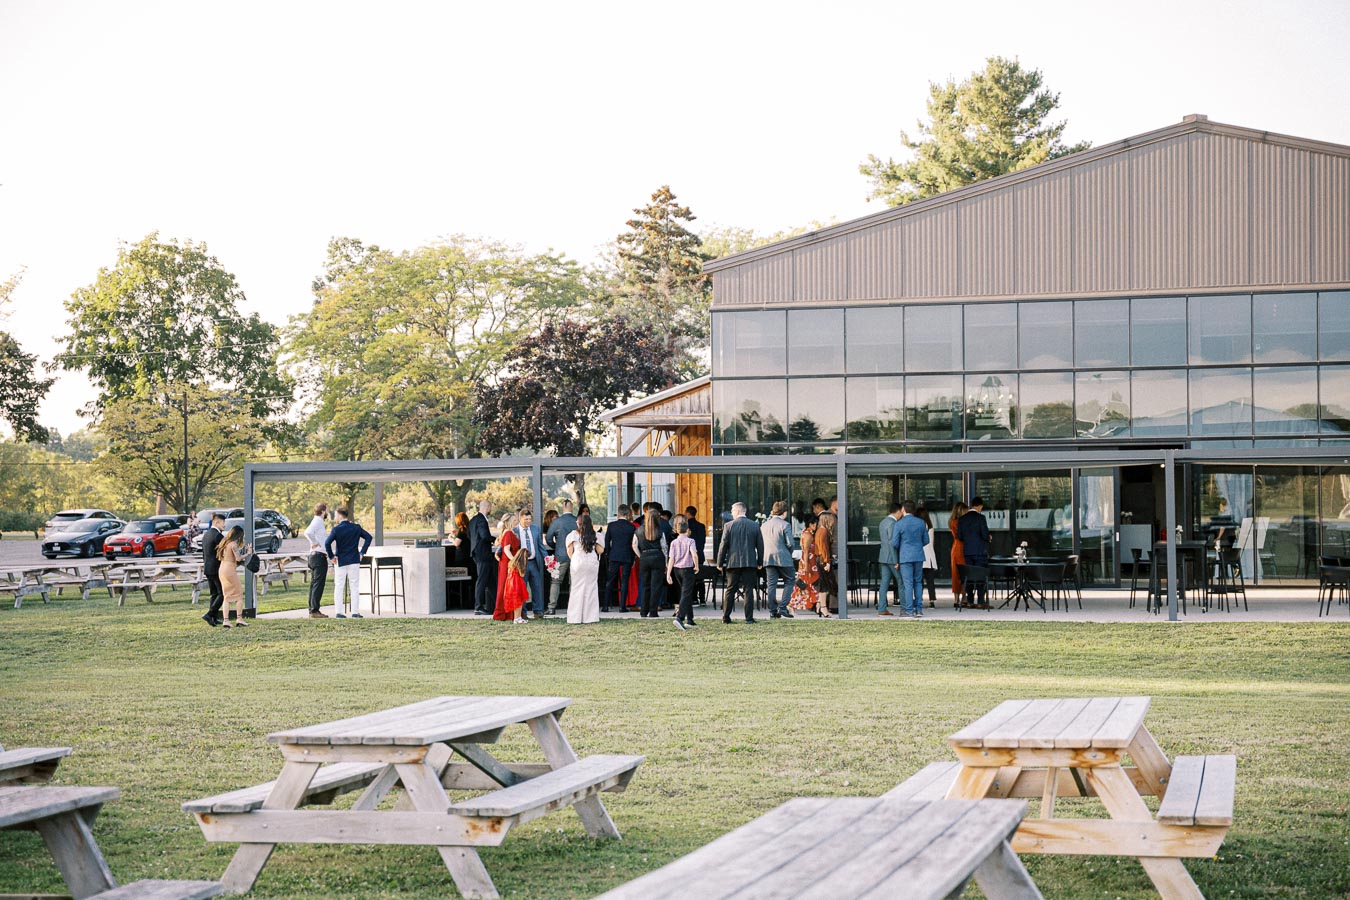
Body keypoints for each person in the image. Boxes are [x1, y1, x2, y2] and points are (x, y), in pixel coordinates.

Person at [715, 501, 764, 624]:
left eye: (732, 511)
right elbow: (760, 546)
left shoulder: (728, 526)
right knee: (749, 590)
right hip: (750, 562)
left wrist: (719, 563)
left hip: (733, 562)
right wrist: (760, 562)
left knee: (730, 589)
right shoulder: (755, 525)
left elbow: (723, 546)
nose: (731, 513)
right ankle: (749, 618)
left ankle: (726, 617)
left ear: (737, 511)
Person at [325, 506, 373, 619]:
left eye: (336, 515)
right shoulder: (356, 527)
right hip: (354, 559)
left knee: (339, 586)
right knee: (354, 586)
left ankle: (339, 612)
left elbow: (327, 543)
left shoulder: (337, 529)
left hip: (341, 560)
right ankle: (355, 612)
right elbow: (368, 537)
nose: (335, 517)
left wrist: (331, 556)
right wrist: (362, 553)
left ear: (340, 515)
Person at [891, 500, 930, 617]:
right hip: (918, 555)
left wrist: (903, 547)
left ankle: (909, 610)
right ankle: (919, 609)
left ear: (903, 509)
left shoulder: (899, 524)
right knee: (918, 582)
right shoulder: (921, 522)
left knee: (908, 584)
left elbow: (894, 543)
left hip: (905, 557)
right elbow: (926, 540)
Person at [761, 500, 795, 618]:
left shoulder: (764, 525)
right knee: (790, 580)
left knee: (771, 584)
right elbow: (790, 543)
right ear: (784, 512)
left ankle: (772, 611)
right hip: (783, 557)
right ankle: (783, 607)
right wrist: (788, 553)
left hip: (768, 558)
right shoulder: (785, 525)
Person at [565, 514, 602, 624]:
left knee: (576, 589)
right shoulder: (595, 535)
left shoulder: (572, 535)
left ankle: (575, 617)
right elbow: (600, 550)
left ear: (578, 523)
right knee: (591, 588)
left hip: (578, 562)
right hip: (591, 562)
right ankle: (590, 617)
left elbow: (569, 551)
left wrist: (575, 559)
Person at [957, 497, 992, 609]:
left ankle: (970, 600)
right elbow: (985, 535)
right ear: (980, 506)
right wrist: (989, 537)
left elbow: (960, 536)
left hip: (967, 551)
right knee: (981, 575)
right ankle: (981, 601)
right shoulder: (981, 518)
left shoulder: (962, 519)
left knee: (969, 575)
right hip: (979, 551)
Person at [666, 515, 700, 629]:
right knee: (686, 594)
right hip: (687, 569)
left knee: (685, 593)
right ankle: (680, 618)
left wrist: (668, 573)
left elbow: (671, 558)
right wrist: (697, 565)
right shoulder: (691, 541)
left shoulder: (674, 542)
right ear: (687, 530)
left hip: (676, 570)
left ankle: (690, 619)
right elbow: (694, 554)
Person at [216, 525, 254, 629]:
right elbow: (238, 558)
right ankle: (239, 618)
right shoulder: (233, 544)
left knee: (227, 596)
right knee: (239, 594)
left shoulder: (224, 542)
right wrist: (248, 553)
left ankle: (226, 620)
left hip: (222, 569)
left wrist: (243, 547)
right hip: (230, 570)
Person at [789, 515, 826, 616]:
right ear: (811, 524)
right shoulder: (808, 535)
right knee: (802, 586)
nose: (817, 525)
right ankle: (792, 605)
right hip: (808, 564)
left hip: (810, 563)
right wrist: (806, 566)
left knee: (811, 585)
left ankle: (817, 604)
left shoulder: (807, 533)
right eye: (816, 524)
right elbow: (805, 552)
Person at [546, 500, 577, 616]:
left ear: (563, 507)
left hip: (560, 555)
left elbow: (549, 538)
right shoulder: (577, 521)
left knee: (555, 581)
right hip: (575, 555)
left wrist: (556, 546)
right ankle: (573, 607)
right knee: (573, 582)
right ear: (572, 507)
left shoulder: (556, 522)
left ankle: (551, 607)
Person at [603, 504, 637, 612]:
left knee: (610, 581)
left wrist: (608, 553)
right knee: (624, 581)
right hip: (627, 556)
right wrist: (633, 557)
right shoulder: (631, 527)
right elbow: (633, 543)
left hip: (614, 555)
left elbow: (607, 541)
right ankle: (622, 606)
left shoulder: (611, 526)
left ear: (618, 513)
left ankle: (605, 606)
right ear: (627, 514)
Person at [634, 508, 668, 617]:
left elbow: (634, 545)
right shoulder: (660, 531)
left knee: (645, 585)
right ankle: (653, 611)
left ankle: (643, 611)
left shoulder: (639, 530)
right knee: (656, 586)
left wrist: (641, 555)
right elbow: (664, 548)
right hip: (658, 557)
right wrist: (666, 563)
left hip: (644, 557)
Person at [516, 509, 545, 619]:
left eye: (530, 519)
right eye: (526, 519)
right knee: (522, 589)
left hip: (534, 562)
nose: (528, 521)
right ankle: (523, 612)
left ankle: (538, 611)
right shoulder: (515, 531)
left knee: (537, 587)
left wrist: (547, 558)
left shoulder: (535, 529)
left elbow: (540, 546)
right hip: (522, 564)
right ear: (520, 518)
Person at [469, 500, 496, 616]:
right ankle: (478, 606)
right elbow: (484, 536)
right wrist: (495, 540)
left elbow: (469, 535)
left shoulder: (473, 520)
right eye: (490, 507)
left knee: (490, 581)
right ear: (488, 507)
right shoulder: (481, 520)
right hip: (483, 553)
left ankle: (497, 605)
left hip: (477, 552)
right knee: (482, 580)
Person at [303, 502, 330, 619]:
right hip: (318, 557)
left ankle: (313, 609)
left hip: (315, 556)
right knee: (318, 585)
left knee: (314, 584)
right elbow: (307, 532)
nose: (328, 512)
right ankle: (314, 610)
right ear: (323, 511)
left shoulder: (318, 521)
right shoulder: (318, 521)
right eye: (327, 510)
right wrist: (314, 543)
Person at [876, 503, 903, 616]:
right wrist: (896, 560)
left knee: (884, 584)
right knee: (901, 582)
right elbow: (893, 543)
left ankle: (882, 609)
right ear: (897, 512)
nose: (902, 514)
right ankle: (905, 608)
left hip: (883, 556)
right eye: (901, 512)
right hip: (892, 558)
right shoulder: (893, 524)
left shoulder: (882, 522)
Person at [492, 513, 520, 621]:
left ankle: (507, 613)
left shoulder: (506, 532)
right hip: (508, 563)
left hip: (506, 562)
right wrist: (514, 560)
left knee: (506, 587)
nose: (515, 522)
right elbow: (506, 549)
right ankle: (503, 613)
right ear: (508, 522)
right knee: (506, 586)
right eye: (513, 520)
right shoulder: (508, 533)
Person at [201, 512, 227, 626]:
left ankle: (213, 618)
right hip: (216, 568)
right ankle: (210, 614)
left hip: (207, 567)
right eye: (223, 523)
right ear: (216, 522)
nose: (224, 526)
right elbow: (226, 549)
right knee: (222, 593)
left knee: (214, 594)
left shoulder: (206, 534)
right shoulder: (217, 535)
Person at [501, 535, 530, 625]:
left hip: (511, 584)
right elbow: (522, 573)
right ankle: (517, 618)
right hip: (517, 584)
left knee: (517, 602)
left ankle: (518, 618)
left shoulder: (512, 563)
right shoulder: (519, 565)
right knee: (518, 601)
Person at [815, 507, 838, 614]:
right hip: (823, 560)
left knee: (823, 584)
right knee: (825, 585)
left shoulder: (819, 531)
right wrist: (827, 562)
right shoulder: (824, 532)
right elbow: (823, 548)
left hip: (820, 559)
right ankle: (823, 607)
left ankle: (820, 605)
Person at [684, 506, 708, 605]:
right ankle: (702, 598)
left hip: (689, 555)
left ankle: (693, 598)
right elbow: (703, 541)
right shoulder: (701, 526)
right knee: (700, 577)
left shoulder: (686, 526)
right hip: (700, 554)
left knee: (691, 577)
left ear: (687, 513)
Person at [917, 506, 939, 608]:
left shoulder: (917, 527)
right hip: (929, 556)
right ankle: (931, 600)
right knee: (930, 580)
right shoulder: (930, 528)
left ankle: (919, 598)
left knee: (919, 580)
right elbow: (932, 543)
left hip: (919, 556)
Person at [949, 501, 969, 609]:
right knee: (962, 573)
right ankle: (963, 597)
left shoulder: (953, 521)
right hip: (961, 548)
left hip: (956, 548)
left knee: (956, 574)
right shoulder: (959, 522)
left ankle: (957, 598)